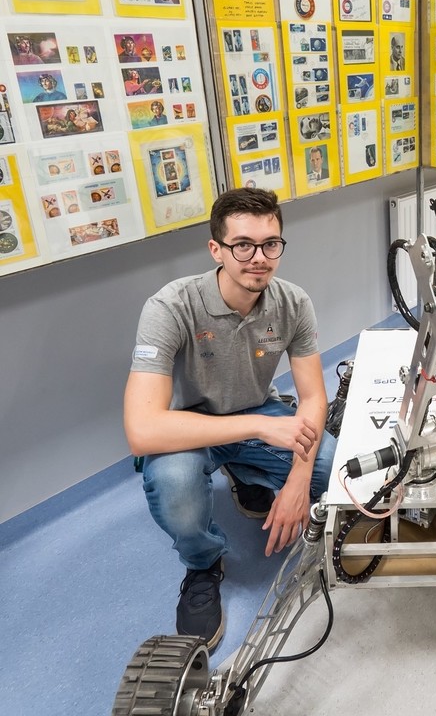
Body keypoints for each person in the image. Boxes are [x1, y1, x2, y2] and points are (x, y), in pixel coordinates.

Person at [124, 188, 336, 646]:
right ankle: (203, 564)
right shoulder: (170, 307)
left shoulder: (293, 302)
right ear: (216, 249)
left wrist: (299, 480)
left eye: (270, 244)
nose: (258, 258)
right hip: (189, 425)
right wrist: (261, 426)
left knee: (331, 470)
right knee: (177, 492)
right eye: (243, 245)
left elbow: (314, 398)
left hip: (256, 410)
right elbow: (143, 429)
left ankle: (243, 471)